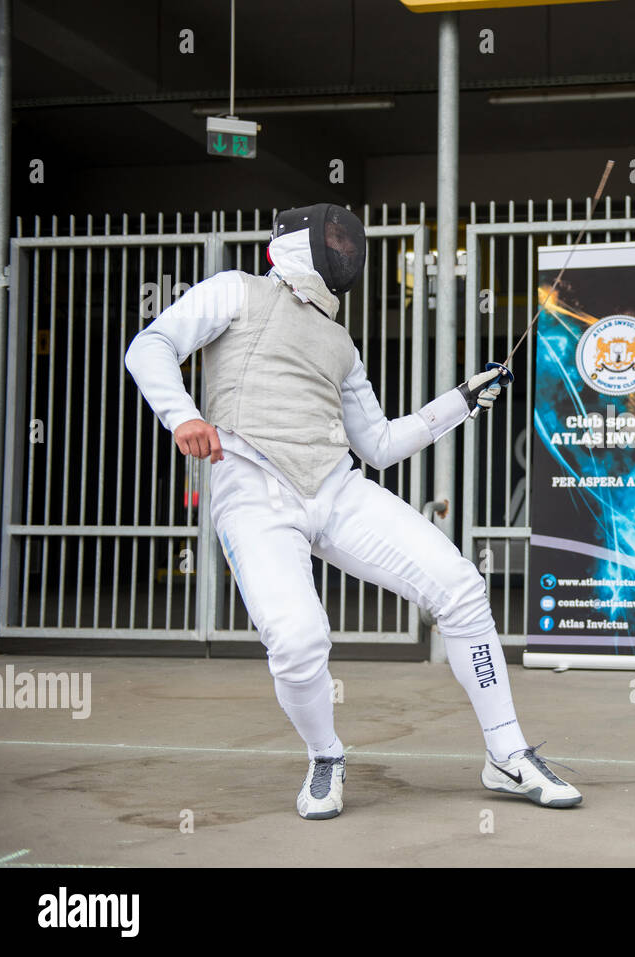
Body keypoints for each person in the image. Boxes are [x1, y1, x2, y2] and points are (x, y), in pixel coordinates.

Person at [126, 203, 581, 819]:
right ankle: (325, 755)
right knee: (298, 638)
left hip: (335, 487)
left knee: (461, 586)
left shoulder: (341, 343)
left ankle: (507, 753)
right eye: (331, 237)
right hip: (253, 488)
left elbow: (379, 446)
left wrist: (461, 401)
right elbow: (150, 345)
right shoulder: (235, 290)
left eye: (348, 239)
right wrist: (182, 416)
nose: (342, 248)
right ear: (291, 244)